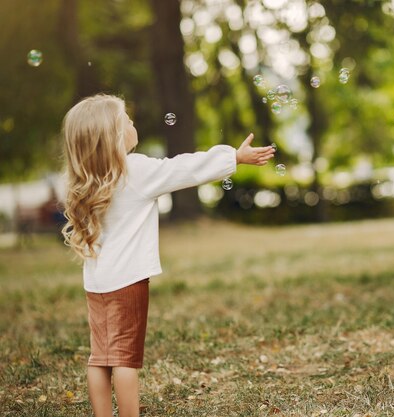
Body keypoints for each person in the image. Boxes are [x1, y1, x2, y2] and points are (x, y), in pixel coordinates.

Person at [61, 94, 275, 417]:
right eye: (127, 121)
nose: (133, 124)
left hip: (96, 284)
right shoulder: (134, 171)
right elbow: (185, 169)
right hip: (128, 283)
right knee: (125, 359)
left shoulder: (87, 181)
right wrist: (234, 157)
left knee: (100, 357)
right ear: (116, 137)